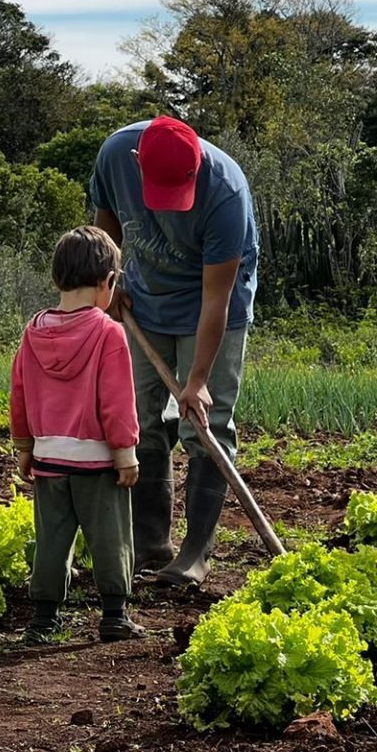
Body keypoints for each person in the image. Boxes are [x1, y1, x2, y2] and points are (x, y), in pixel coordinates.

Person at [89, 116, 259, 588]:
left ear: (196, 166)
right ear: (137, 163)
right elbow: (104, 225)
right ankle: (150, 543)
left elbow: (215, 299)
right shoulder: (114, 155)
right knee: (137, 415)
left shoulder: (226, 192)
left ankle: (195, 554)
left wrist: (198, 380)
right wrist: (110, 281)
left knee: (206, 423)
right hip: (143, 298)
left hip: (209, 304)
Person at [10, 226, 145, 643]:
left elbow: (19, 392)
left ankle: (44, 618)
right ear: (108, 283)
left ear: (57, 280)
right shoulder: (108, 333)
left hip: (50, 458)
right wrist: (126, 454)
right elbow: (117, 401)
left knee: (52, 539)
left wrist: (24, 447)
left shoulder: (33, 331)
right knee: (110, 537)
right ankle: (115, 615)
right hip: (98, 462)